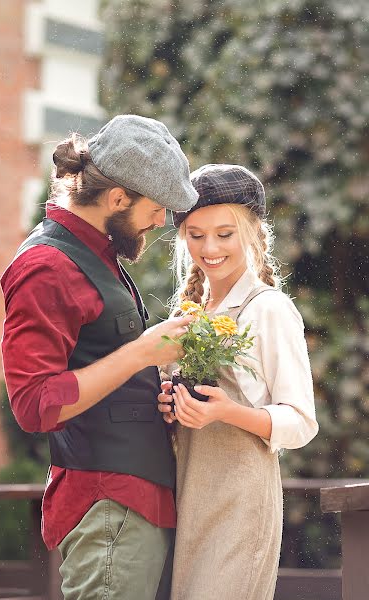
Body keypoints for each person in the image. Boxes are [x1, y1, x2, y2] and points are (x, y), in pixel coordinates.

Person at [0, 114, 199, 600]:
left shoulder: (94, 254)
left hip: (134, 506)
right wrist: (140, 354)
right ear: (117, 198)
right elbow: (33, 404)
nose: (160, 222)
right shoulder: (46, 266)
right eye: (156, 208)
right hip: (109, 509)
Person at [158, 164, 319, 600]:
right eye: (195, 234)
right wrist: (171, 406)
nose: (209, 247)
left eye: (225, 234)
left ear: (252, 233)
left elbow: (301, 421)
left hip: (240, 500)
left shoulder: (268, 309)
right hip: (186, 497)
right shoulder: (188, 315)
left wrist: (227, 412)